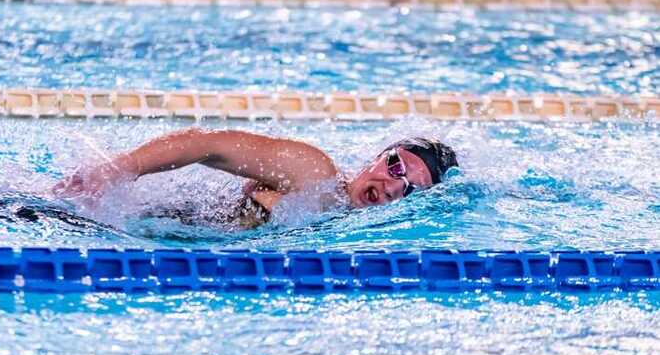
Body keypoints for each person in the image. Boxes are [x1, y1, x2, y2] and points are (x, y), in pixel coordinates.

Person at [52, 128, 459, 228]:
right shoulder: (312, 173)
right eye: (395, 167)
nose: (391, 187)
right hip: (125, 226)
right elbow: (208, 144)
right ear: (375, 158)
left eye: (408, 190)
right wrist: (121, 168)